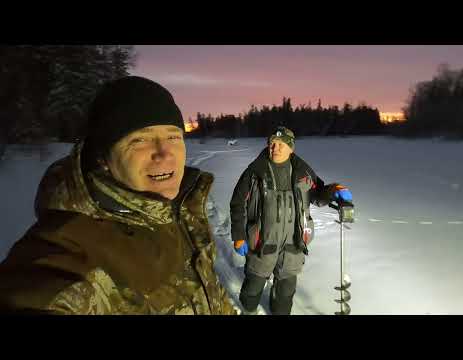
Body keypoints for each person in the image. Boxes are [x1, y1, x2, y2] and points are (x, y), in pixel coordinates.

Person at [0, 76, 237, 315]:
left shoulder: (179, 210)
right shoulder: (70, 251)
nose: (164, 153)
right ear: (103, 157)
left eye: (173, 136)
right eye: (140, 140)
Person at [230, 126, 352, 315]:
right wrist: (239, 235)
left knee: (285, 293)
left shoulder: (303, 172)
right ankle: (248, 310)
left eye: (281, 144)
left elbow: (318, 194)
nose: (275, 148)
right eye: (272, 144)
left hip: (293, 243)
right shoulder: (255, 172)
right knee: (252, 287)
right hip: (262, 241)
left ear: (291, 148)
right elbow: (238, 204)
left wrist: (334, 190)